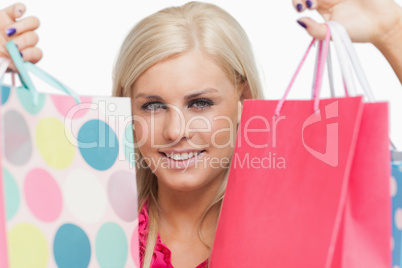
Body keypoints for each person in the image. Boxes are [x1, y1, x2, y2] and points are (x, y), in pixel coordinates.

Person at [0, 1, 401, 268]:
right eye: (152, 106)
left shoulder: (309, 216)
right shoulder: (88, 222)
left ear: (244, 101)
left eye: (201, 104)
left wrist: (392, 30)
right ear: (125, 111)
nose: (176, 131)